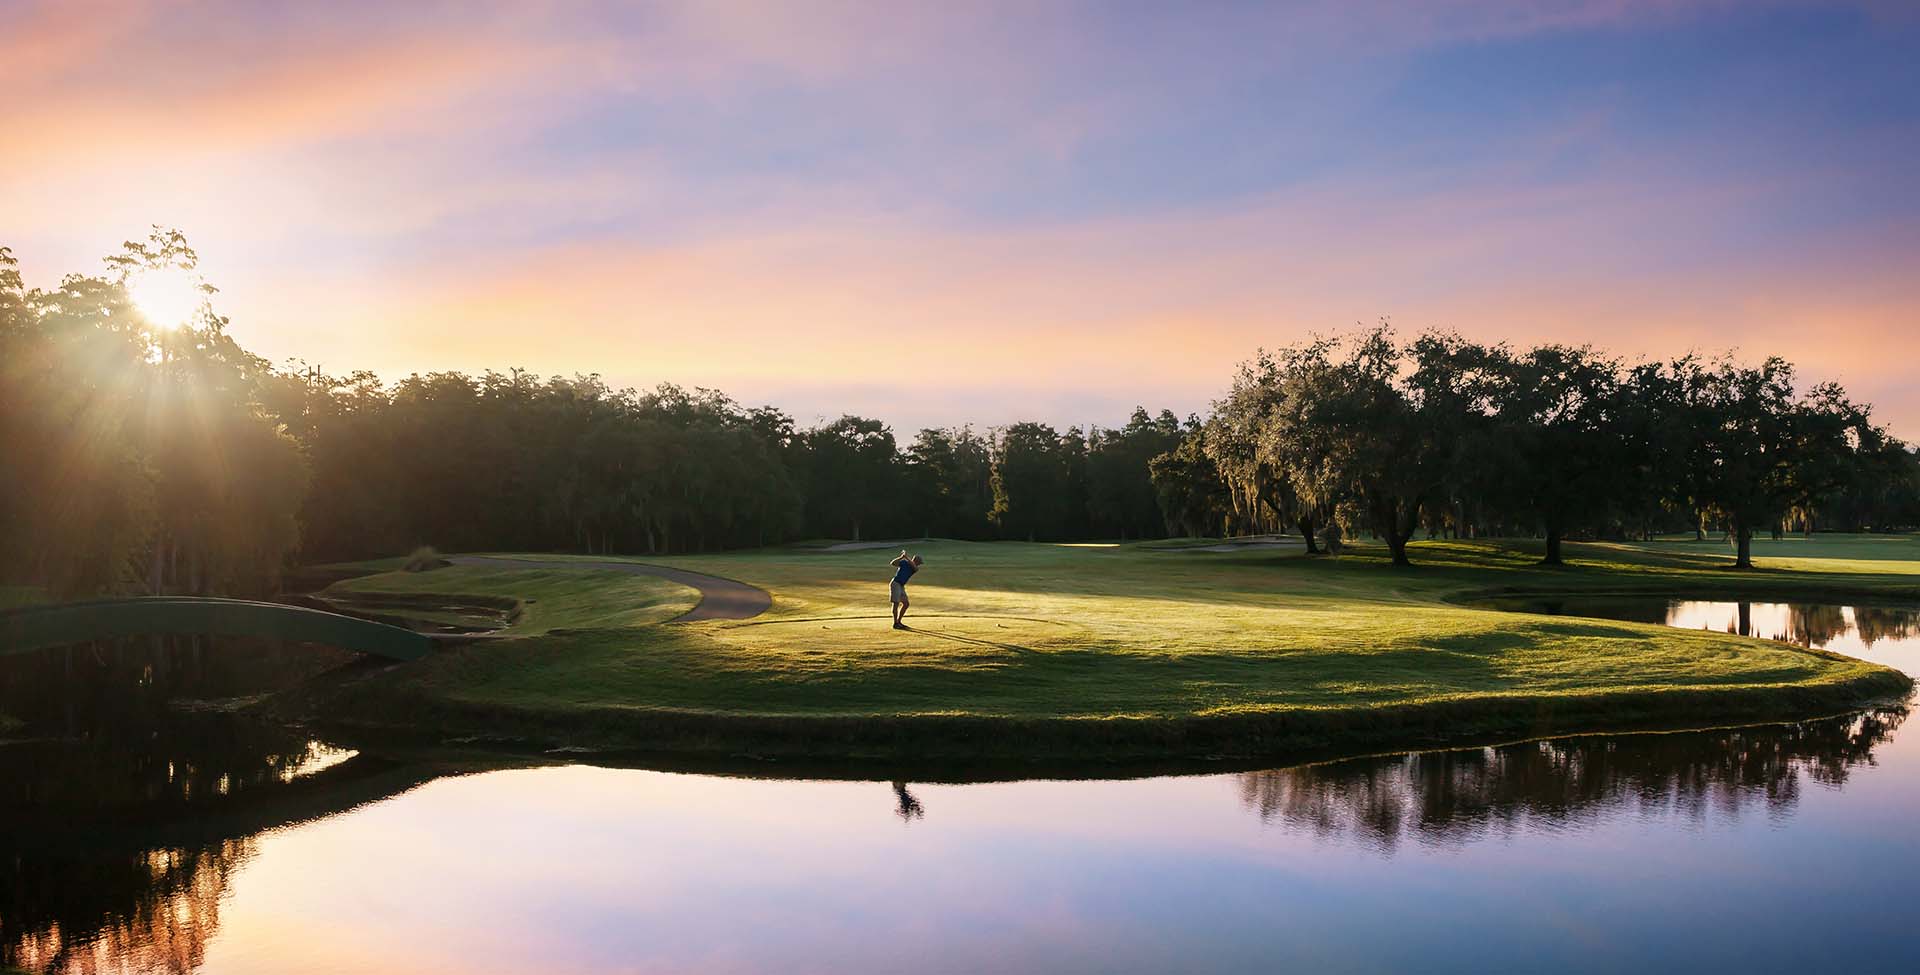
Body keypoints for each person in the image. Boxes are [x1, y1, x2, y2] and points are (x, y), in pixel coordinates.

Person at [888, 549, 923, 629]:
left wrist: (906, 557)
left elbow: (914, 566)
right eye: (919, 563)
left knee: (906, 604)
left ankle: (899, 621)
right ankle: (895, 623)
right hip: (896, 583)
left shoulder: (914, 568)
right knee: (896, 604)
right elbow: (893, 563)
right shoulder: (904, 563)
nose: (919, 565)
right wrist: (901, 557)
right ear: (916, 561)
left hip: (901, 586)